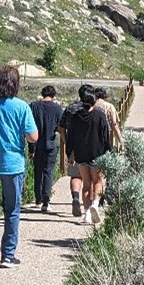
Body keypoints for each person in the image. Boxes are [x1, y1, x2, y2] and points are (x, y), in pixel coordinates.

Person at [0, 66, 38, 267]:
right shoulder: (21, 107)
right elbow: (33, 136)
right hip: (13, 165)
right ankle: (7, 254)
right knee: (12, 210)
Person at [65, 87, 111, 224]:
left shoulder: (75, 116)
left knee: (86, 184)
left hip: (81, 154)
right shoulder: (100, 115)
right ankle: (95, 205)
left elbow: (70, 137)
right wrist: (109, 151)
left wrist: (70, 154)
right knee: (97, 182)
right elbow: (105, 136)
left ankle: (86, 214)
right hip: (97, 153)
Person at [57, 84, 93, 217]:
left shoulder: (70, 109)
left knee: (76, 176)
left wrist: (66, 142)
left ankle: (76, 198)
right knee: (91, 177)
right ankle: (89, 206)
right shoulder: (94, 109)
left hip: (74, 147)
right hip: (91, 147)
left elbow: (61, 128)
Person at [29, 85, 63, 212]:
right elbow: (61, 125)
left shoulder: (34, 106)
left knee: (38, 170)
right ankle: (46, 200)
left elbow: (30, 127)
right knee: (48, 171)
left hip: (37, 143)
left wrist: (31, 149)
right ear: (53, 95)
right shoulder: (57, 108)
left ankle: (38, 199)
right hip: (51, 143)